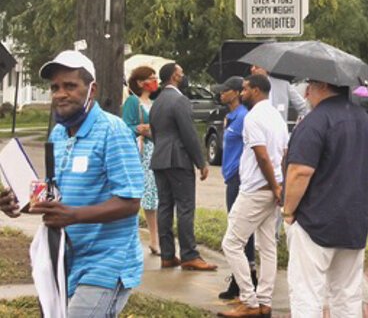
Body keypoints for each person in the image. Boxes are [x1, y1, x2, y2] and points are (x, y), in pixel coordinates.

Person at [1, 50, 144, 316]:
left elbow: (131, 201)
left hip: (107, 263)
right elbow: (53, 194)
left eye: (70, 86)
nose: (60, 94)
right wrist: (19, 202)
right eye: (55, 87)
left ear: (92, 89)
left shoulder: (112, 131)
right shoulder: (58, 133)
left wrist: (74, 215)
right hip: (65, 261)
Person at [283, 79, 368, 317]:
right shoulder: (363, 119)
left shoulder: (315, 121)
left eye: (309, 86)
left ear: (322, 85)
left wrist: (288, 210)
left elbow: (300, 171)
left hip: (315, 220)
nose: (306, 93)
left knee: (307, 293)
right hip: (354, 220)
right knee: (347, 294)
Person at [220, 74, 288, 318]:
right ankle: (265, 302)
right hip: (272, 188)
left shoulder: (253, 118)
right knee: (267, 246)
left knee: (231, 243)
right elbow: (284, 153)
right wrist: (280, 185)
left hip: (257, 189)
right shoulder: (277, 117)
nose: (242, 92)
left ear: (257, 90)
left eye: (246, 89)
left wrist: (275, 185)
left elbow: (262, 156)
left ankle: (249, 301)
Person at [150, 62, 216, 271]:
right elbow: (189, 134)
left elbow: (154, 131)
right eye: (182, 73)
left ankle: (167, 255)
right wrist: (201, 161)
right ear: (175, 77)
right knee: (185, 207)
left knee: (164, 207)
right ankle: (189, 254)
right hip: (178, 159)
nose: (184, 76)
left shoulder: (157, 102)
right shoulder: (180, 100)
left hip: (159, 159)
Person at [211, 76, 254, 300]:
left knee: (239, 232)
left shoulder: (244, 117)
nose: (221, 94)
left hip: (239, 178)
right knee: (238, 228)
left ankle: (242, 280)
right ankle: (245, 276)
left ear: (236, 93)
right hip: (230, 177)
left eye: (225, 90)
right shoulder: (231, 117)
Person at [122, 65, 160, 256]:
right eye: (151, 78)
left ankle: (155, 239)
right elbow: (125, 126)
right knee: (141, 195)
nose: (155, 81)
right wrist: (139, 129)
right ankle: (137, 238)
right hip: (140, 152)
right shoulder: (132, 102)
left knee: (153, 197)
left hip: (154, 151)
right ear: (139, 82)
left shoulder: (153, 102)